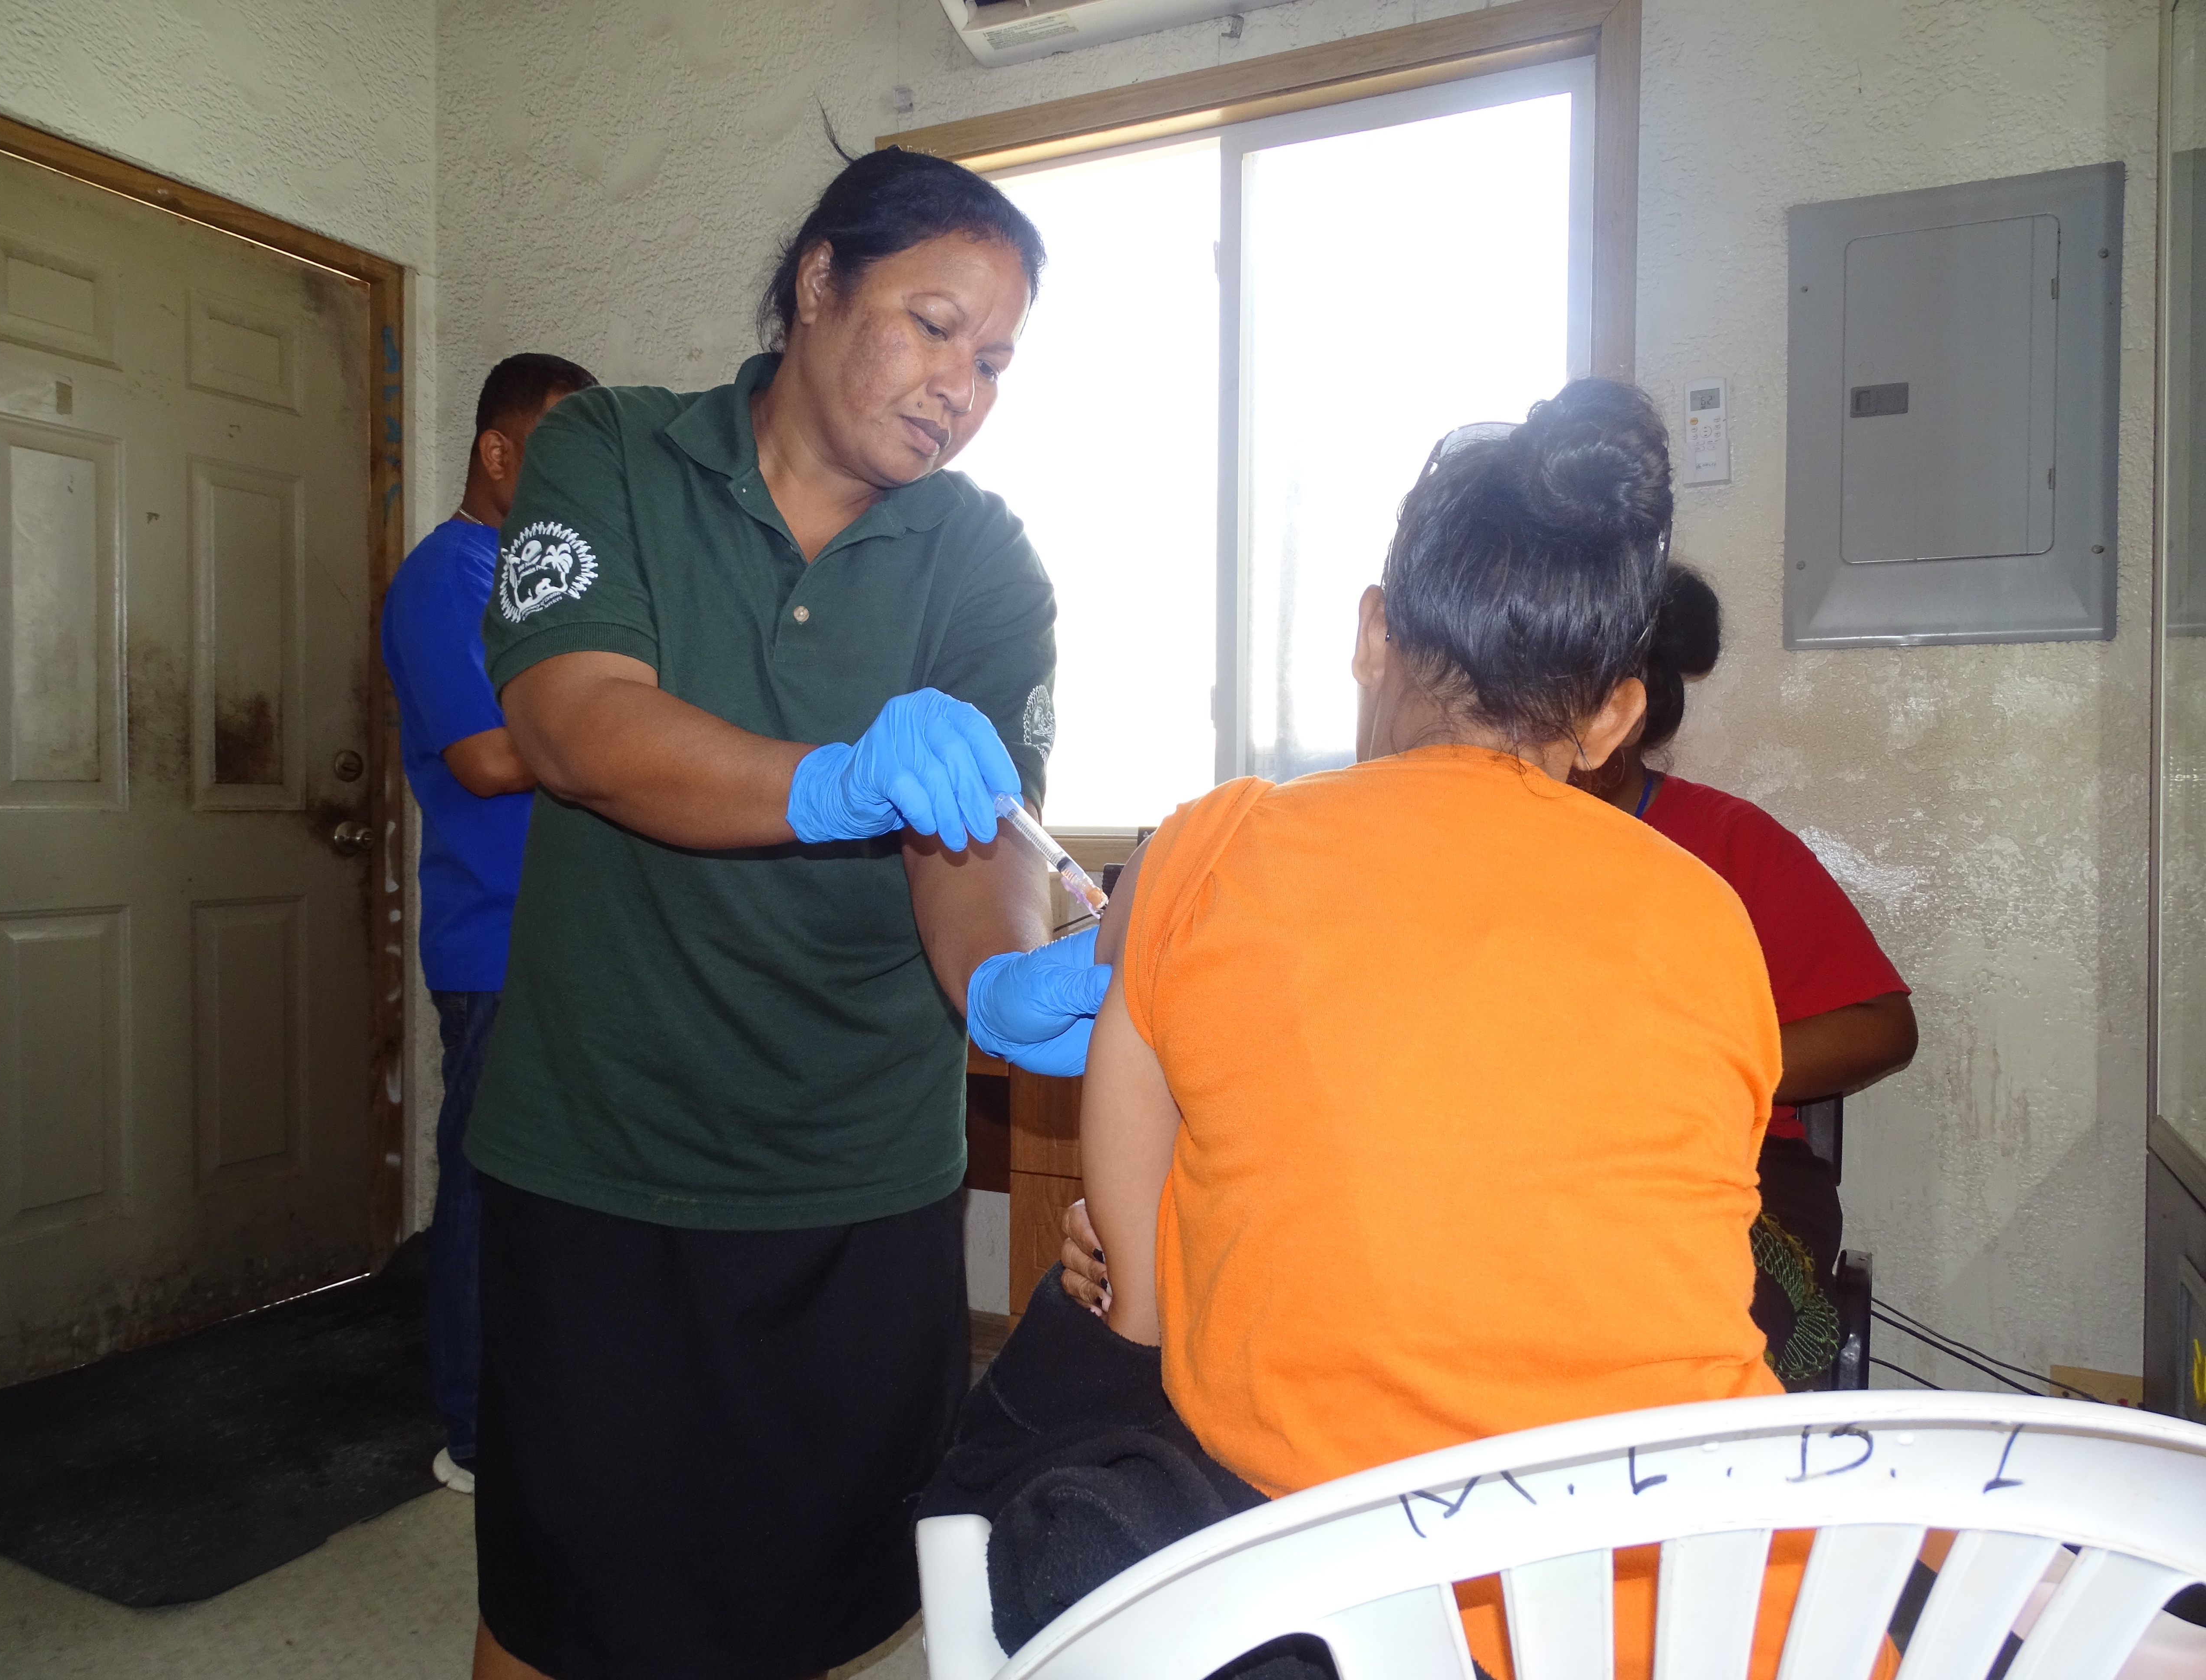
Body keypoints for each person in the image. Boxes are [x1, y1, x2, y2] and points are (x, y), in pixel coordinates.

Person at [947, 385, 1880, 1679]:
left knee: (1012, 1447)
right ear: (1614, 712)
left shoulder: (1210, 848)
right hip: (1707, 1595)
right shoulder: (1707, 911)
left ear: (1371, 633)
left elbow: (1144, 1311)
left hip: (1352, 1585)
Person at [463, 149, 1108, 1680]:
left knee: (800, 1605)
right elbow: (575, 723)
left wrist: (1011, 980)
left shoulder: (982, 559)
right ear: (820, 282)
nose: (964, 383)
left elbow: (975, 848)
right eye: (936, 323)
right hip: (601, 1151)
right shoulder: (611, 453)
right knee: (558, 1604)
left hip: (854, 1173)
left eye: (997, 358)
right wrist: (830, 779)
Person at [1570, 564, 1916, 1385]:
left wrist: (1700, 1070)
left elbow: (1882, 1025)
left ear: (1636, 711)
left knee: (1670, 1337)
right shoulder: (1489, 841)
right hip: (1555, 1165)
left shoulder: (1725, 840)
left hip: (1734, 1167)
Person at [379, 351, 597, 1495]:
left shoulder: (547, 582)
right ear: (497, 451)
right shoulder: (444, 582)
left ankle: (542, 1400)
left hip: (572, 940)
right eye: (554, 454)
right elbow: (487, 757)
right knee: (484, 1185)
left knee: (559, 1192)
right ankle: (471, 1433)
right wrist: (622, 735)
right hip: (493, 943)